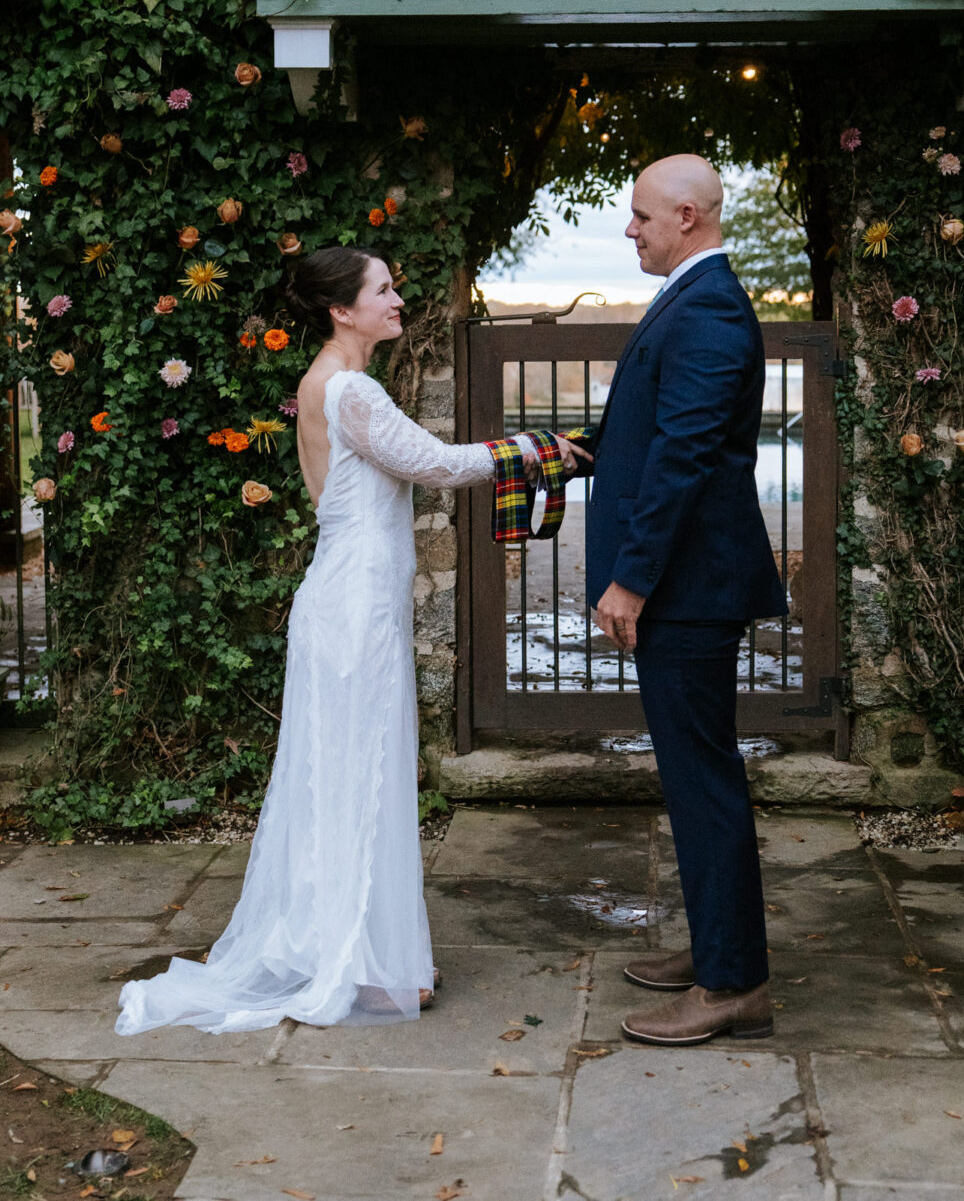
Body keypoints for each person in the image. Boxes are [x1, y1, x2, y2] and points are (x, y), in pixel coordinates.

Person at [116, 246, 584, 1035]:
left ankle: (362, 951)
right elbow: (434, 463)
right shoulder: (351, 387)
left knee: (349, 772)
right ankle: (363, 963)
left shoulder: (323, 385)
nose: (398, 299)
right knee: (359, 772)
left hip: (348, 601)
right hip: (354, 610)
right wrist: (533, 449)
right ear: (342, 308)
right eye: (384, 289)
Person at [585, 154, 786, 1047]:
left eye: (640, 216)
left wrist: (631, 578)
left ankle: (733, 983)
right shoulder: (695, 297)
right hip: (688, 586)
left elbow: (684, 459)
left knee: (704, 783)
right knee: (694, 776)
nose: (630, 229)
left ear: (689, 217)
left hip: (688, 589)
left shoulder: (706, 308)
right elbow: (645, 431)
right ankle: (715, 948)